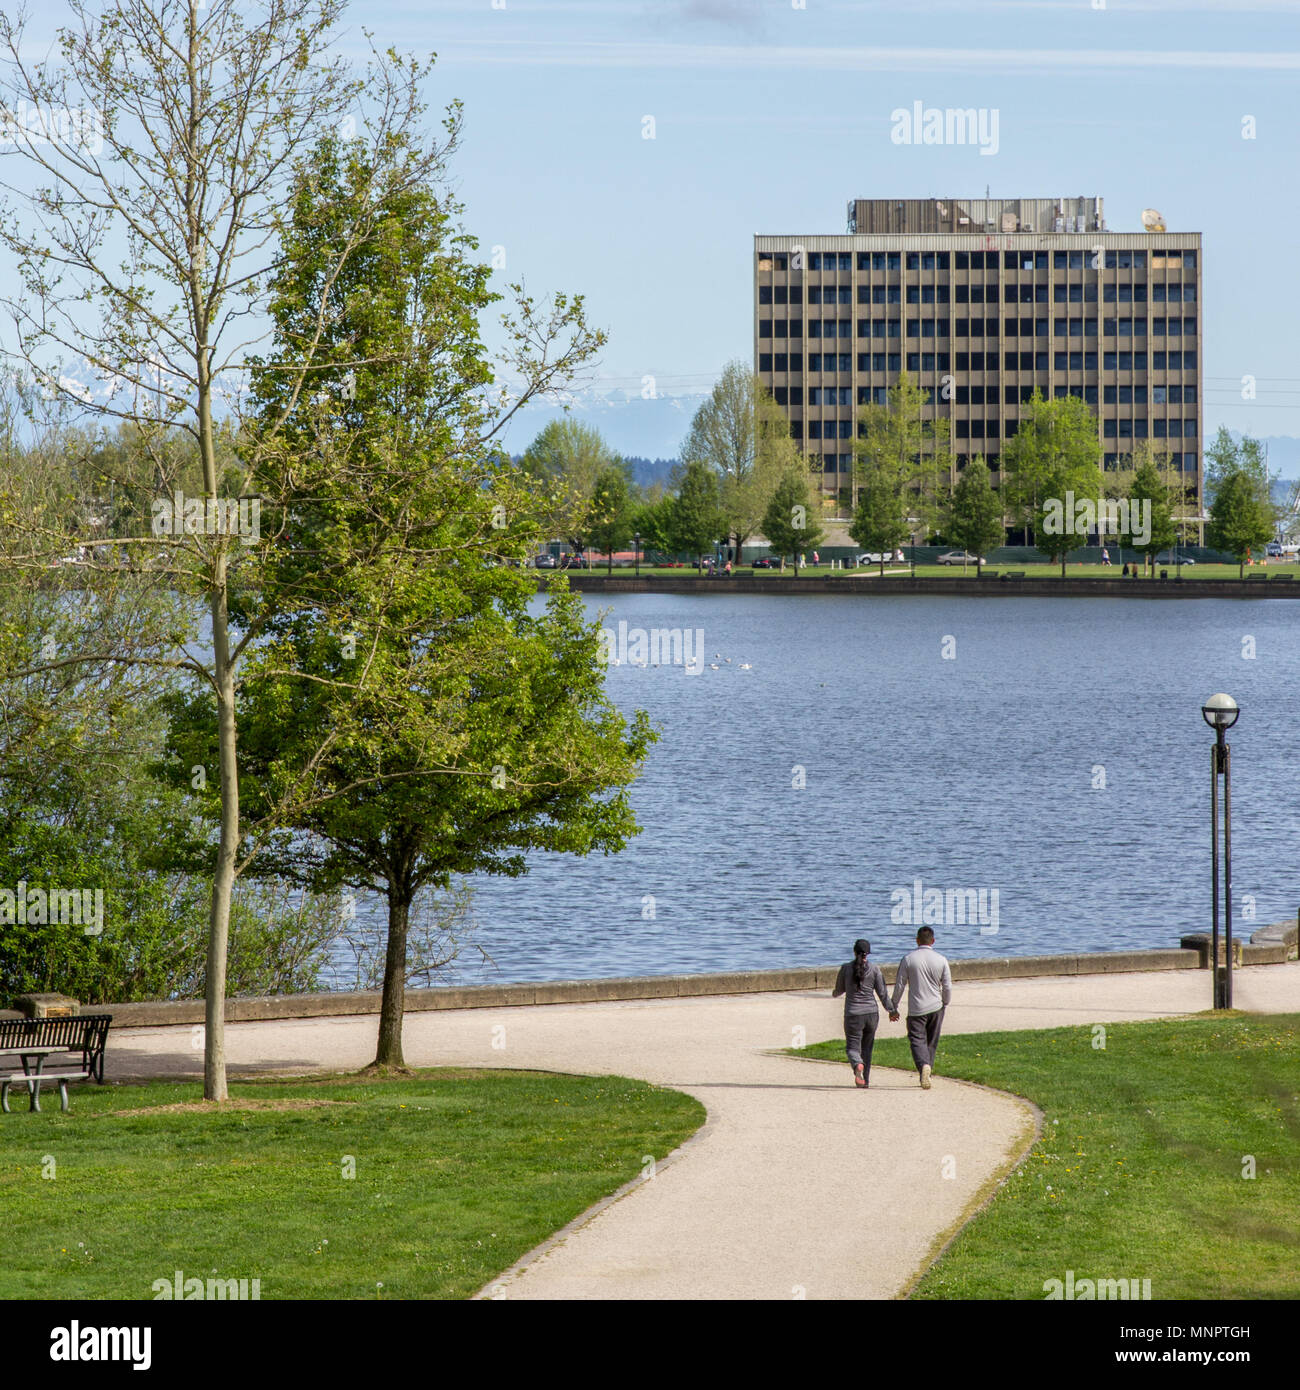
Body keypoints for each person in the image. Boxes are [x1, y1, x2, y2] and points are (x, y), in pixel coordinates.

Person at [890, 927, 952, 1089]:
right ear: (933, 941)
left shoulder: (909, 959)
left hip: (917, 1008)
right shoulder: (941, 959)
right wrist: (945, 1002)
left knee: (917, 1040)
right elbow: (947, 986)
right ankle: (927, 1069)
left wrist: (893, 1006)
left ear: (917, 940)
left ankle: (924, 1066)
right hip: (936, 1006)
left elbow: (900, 985)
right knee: (931, 1041)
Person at [832, 939, 892, 1086]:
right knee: (867, 1048)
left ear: (854, 952)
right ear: (868, 953)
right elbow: (882, 993)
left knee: (852, 1048)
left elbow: (839, 990)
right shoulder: (875, 969)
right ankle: (864, 1080)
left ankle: (857, 1064)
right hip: (872, 1014)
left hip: (853, 1014)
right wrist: (892, 1010)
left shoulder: (846, 968)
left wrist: (834, 993)